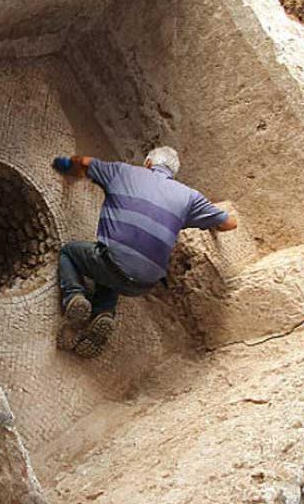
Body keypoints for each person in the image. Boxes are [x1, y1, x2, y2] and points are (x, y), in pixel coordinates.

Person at [51, 146, 237, 358]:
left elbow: (83, 163)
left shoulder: (124, 172)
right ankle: (104, 312)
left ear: (148, 163)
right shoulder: (190, 198)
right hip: (143, 284)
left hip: (111, 263)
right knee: (114, 270)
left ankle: (75, 296)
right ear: (172, 172)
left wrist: (60, 165)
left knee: (71, 253)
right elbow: (229, 224)